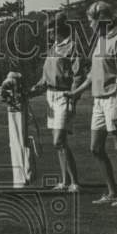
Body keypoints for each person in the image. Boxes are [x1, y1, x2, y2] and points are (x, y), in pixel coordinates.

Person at [64, 1, 117, 206]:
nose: (89, 24)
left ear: (101, 19)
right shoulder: (100, 41)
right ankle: (112, 193)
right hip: (99, 100)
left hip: (114, 98)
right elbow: (93, 74)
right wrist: (75, 92)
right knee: (96, 148)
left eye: (90, 20)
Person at [30, 12, 84, 191]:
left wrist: (74, 96)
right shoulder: (52, 49)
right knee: (60, 144)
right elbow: (45, 78)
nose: (49, 34)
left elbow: (78, 75)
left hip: (64, 96)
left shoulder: (72, 47)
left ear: (59, 29)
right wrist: (31, 91)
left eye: (51, 30)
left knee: (58, 140)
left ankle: (75, 182)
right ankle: (65, 181)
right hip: (51, 98)